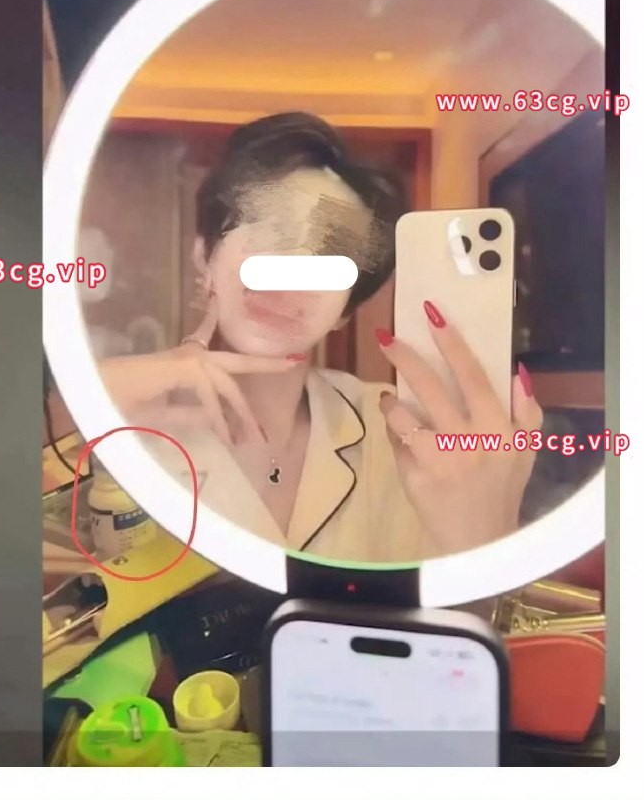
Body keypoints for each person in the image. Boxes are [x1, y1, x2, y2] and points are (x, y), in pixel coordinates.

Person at [99, 112, 542, 563]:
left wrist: (486, 538)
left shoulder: (409, 433)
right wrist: (84, 404)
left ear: (345, 309)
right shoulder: (122, 413)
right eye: (270, 229)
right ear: (204, 256)